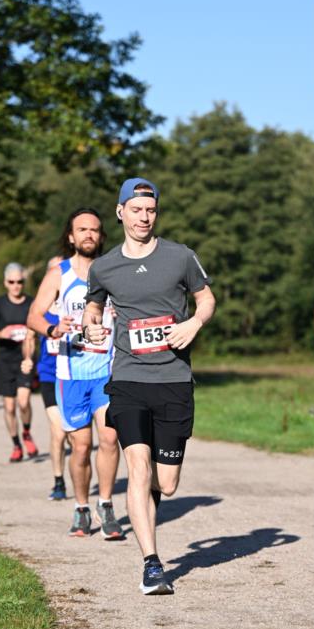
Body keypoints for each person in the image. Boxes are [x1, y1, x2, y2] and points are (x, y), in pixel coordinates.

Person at [82, 178, 216, 594]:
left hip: (173, 379)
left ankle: (149, 506)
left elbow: (206, 299)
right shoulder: (104, 266)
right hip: (128, 379)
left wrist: (193, 323)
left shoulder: (180, 257)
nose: (144, 217)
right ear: (121, 212)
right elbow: (94, 304)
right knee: (137, 468)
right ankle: (152, 564)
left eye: (151, 210)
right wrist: (91, 326)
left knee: (167, 482)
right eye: (136, 210)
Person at [27, 212, 122, 537]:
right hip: (71, 373)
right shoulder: (59, 274)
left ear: (101, 235)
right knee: (81, 447)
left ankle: (106, 505)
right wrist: (53, 328)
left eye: (95, 230)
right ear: (71, 236)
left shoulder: (113, 269)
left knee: (110, 438)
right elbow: (33, 317)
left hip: (107, 371)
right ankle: (82, 506)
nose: (89, 235)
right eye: (82, 230)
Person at [0, 263, 38, 463]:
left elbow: (35, 333)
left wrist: (29, 358)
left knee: (23, 402)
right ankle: (16, 445)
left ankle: (26, 432)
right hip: (5, 360)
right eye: (12, 282)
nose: (16, 286)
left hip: (25, 360)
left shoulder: (32, 303)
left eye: (20, 282)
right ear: (6, 283)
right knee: (8, 407)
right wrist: (0, 333)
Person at [26, 256, 70, 502]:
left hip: (73, 373)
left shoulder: (76, 302)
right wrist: (27, 358)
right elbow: (29, 336)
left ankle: (77, 476)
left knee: (76, 434)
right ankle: (58, 480)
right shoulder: (41, 307)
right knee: (58, 429)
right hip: (49, 375)